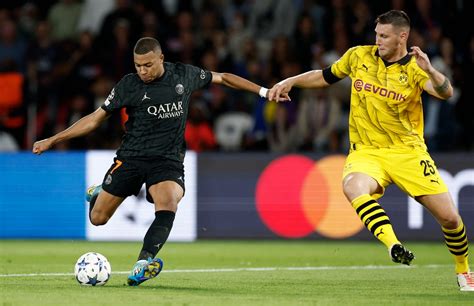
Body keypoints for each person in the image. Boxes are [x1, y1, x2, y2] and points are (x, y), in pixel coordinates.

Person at [32, 37, 274, 286]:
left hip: (167, 160)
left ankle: (143, 263)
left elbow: (223, 77)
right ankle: (99, 192)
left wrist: (263, 91)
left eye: (147, 65)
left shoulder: (183, 75)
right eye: (137, 65)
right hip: (132, 157)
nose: (142, 71)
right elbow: (95, 119)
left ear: (161, 58)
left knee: (168, 200)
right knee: (98, 218)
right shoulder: (129, 85)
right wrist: (53, 139)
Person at [268, 10, 473, 292]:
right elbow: (325, 76)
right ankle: (393, 245)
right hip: (367, 150)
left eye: (385, 36)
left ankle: (464, 270)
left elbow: (445, 92)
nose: (378, 41)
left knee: (450, 218)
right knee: (352, 187)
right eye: (377, 34)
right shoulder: (358, 56)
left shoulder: (415, 68)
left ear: (403, 36)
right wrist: (291, 80)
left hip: (408, 152)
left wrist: (431, 70)